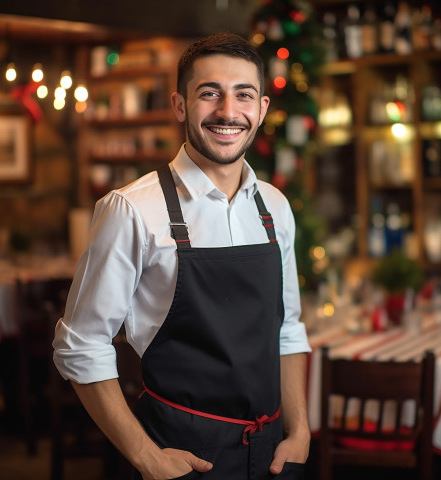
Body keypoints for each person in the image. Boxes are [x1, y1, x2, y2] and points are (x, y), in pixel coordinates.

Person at [53, 32, 311, 480]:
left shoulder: (275, 206)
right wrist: (148, 458)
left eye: (243, 95)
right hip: (181, 459)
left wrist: (301, 430)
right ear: (179, 105)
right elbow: (80, 346)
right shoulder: (132, 209)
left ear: (263, 109)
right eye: (209, 93)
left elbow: (286, 328)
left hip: (273, 457)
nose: (228, 112)